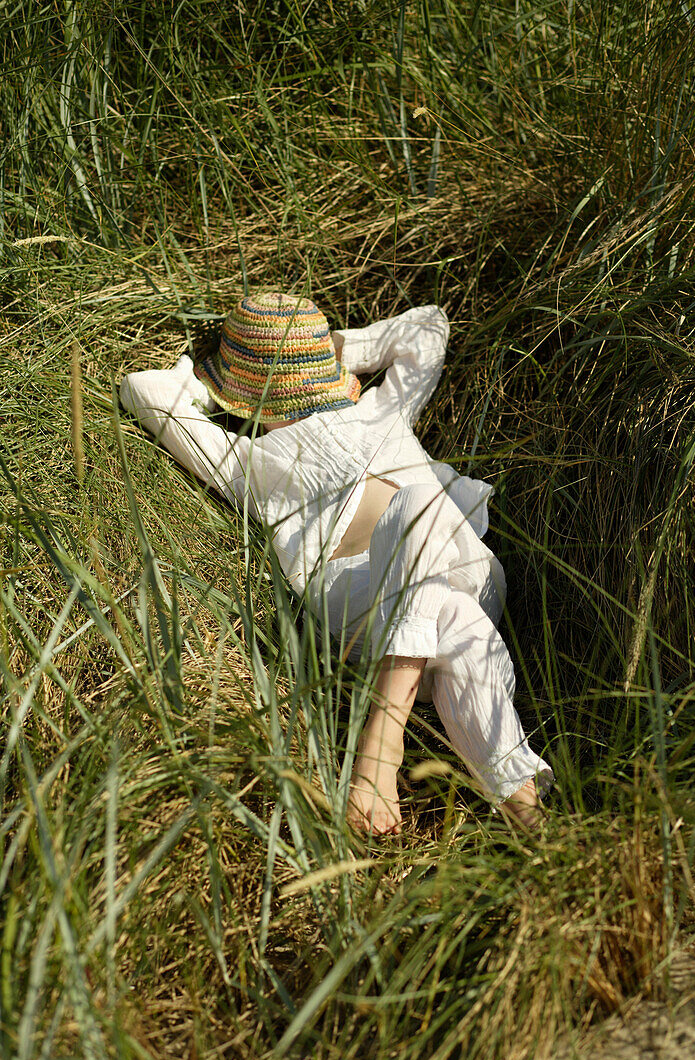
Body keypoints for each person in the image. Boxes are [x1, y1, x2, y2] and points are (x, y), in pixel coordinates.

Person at [119, 292, 553, 835]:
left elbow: (427, 328)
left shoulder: (380, 410)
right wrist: (259, 379)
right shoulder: (248, 462)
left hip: (461, 567)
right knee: (455, 613)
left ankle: (386, 744)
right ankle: (534, 827)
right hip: (362, 610)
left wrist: (321, 355)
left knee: (424, 527)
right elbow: (145, 394)